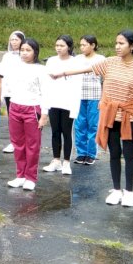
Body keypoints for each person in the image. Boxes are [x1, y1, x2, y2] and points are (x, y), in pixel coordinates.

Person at [52, 30, 133, 208]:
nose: (117, 47)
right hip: (110, 115)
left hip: (130, 117)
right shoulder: (109, 62)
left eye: (122, 43)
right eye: (116, 43)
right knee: (114, 154)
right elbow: (86, 69)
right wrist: (63, 73)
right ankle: (116, 189)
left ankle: (129, 192)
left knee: (129, 155)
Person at [0, 38, 50, 190]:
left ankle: (30, 177)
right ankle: (20, 175)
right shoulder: (14, 67)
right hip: (15, 107)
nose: (24, 53)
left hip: (32, 109)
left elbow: (47, 94)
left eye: (28, 50)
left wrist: (44, 114)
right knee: (18, 144)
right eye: (22, 50)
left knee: (32, 145)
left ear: (35, 52)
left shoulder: (41, 70)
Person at [43, 35, 82, 176]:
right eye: (57, 45)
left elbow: (77, 85)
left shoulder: (75, 62)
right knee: (55, 132)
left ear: (69, 47)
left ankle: (66, 162)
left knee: (67, 132)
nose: (59, 48)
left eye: (62, 46)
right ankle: (55, 160)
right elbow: (46, 82)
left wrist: (74, 106)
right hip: (54, 101)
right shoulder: (51, 61)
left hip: (68, 102)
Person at [74, 35, 105, 165]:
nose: (82, 48)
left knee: (93, 125)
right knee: (79, 125)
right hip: (79, 97)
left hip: (95, 97)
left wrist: (103, 98)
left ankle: (91, 153)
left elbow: (105, 80)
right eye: (80, 45)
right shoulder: (77, 59)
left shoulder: (101, 59)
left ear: (93, 45)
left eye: (84, 45)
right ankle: (81, 153)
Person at [1, 30, 25, 153]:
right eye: (12, 39)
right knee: (12, 117)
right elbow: (3, 73)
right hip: (9, 90)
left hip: (22, 90)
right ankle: (14, 141)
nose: (14, 42)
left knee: (23, 117)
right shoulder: (7, 56)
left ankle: (23, 141)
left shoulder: (25, 54)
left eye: (16, 39)